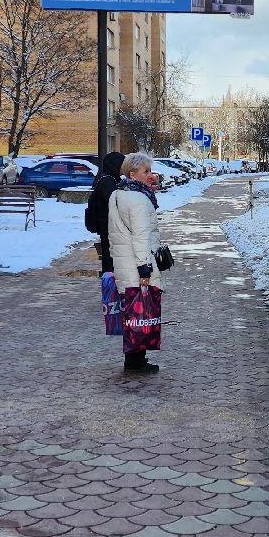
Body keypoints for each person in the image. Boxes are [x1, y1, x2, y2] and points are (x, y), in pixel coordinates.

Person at [108, 152, 164, 374]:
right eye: (146, 171)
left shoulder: (117, 194)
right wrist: (145, 268)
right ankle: (136, 361)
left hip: (123, 261)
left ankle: (133, 359)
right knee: (141, 313)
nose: (150, 175)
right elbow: (141, 236)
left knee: (132, 314)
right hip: (136, 263)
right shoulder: (139, 199)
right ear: (132, 174)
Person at [84, 151, 127, 273]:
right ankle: (110, 285)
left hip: (109, 226)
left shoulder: (112, 179)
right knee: (110, 260)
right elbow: (115, 202)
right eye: (122, 164)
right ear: (116, 165)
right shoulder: (108, 182)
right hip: (108, 227)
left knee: (110, 258)